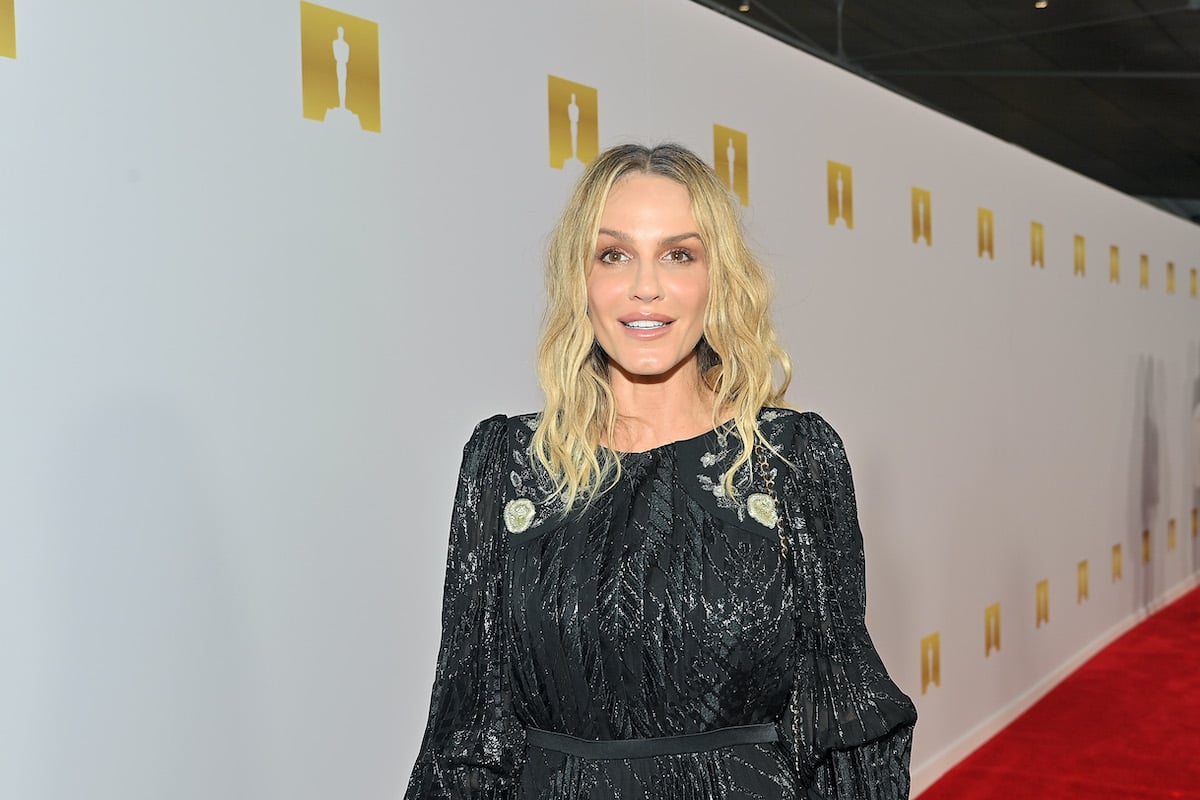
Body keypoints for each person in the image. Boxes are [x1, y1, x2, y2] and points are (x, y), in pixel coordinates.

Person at [405, 143, 917, 799]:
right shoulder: (504, 464)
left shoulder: (793, 460)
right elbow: (467, 735)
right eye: (613, 254)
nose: (645, 286)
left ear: (717, 278)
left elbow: (839, 722)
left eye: (679, 254)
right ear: (580, 279)